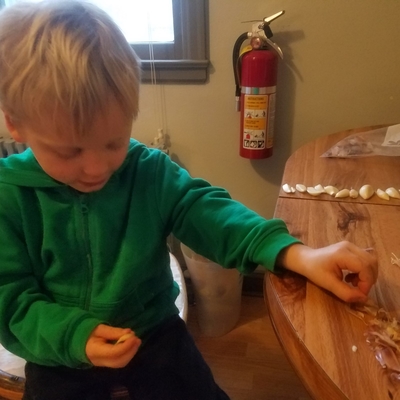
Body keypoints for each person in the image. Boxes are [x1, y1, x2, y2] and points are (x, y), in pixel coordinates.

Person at [0, 1, 377, 399]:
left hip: (157, 340)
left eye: (113, 142)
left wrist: (295, 254)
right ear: (15, 125)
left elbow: (209, 212)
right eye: (69, 151)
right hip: (60, 357)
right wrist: (75, 334)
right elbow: (10, 301)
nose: (96, 168)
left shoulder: (149, 171)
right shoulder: (8, 198)